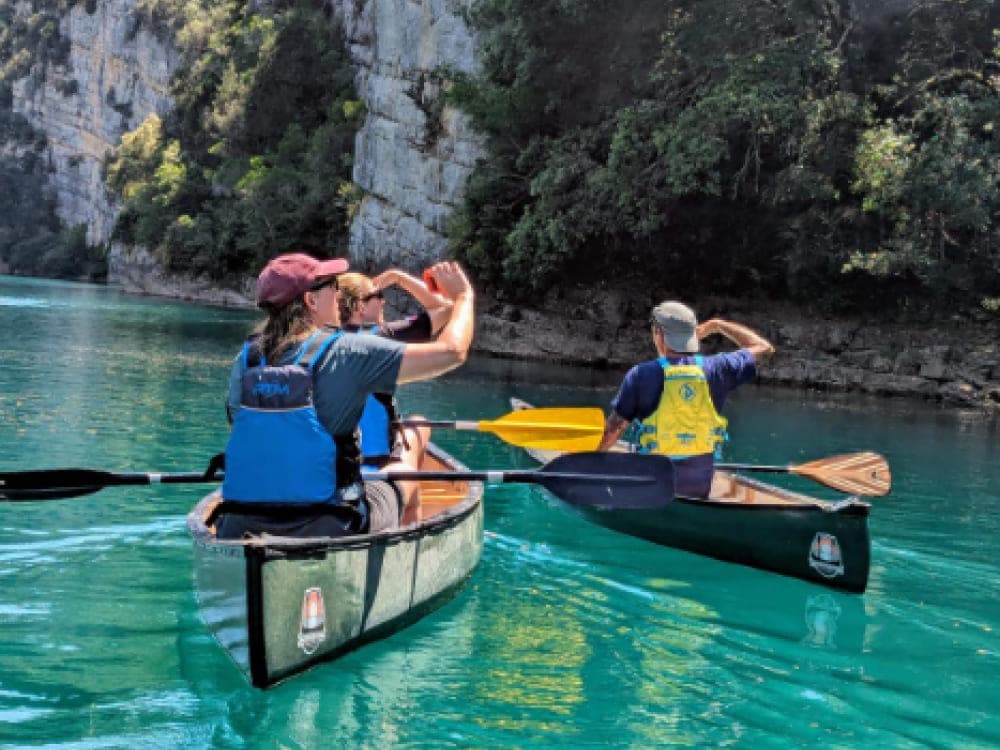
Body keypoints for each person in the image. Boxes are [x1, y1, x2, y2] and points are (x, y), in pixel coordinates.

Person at [218, 252, 474, 539]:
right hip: (329, 522)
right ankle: (404, 546)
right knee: (404, 467)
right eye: (331, 286)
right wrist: (464, 296)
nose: (338, 294)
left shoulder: (247, 358)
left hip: (238, 522)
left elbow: (240, 424)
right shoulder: (348, 351)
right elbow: (452, 352)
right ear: (310, 301)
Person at [599, 301, 775, 497]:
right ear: (692, 334)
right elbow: (764, 348)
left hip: (652, 486)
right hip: (698, 486)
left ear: (659, 334)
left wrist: (591, 459)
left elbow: (613, 430)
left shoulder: (640, 374)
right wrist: (717, 325)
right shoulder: (719, 368)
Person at [335, 268, 454, 467]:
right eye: (377, 295)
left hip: (335, 463)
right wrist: (399, 278)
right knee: (419, 424)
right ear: (359, 307)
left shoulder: (320, 341)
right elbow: (446, 307)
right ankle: (409, 489)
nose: (383, 301)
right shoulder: (381, 338)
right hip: (377, 462)